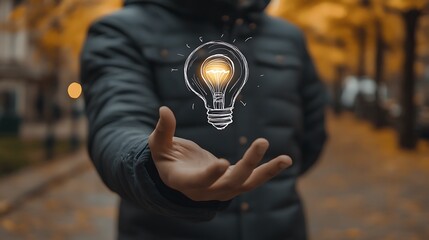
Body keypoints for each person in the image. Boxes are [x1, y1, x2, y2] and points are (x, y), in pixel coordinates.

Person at [80, 0, 327, 239]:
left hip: (282, 230)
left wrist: (272, 183)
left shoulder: (289, 37)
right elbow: (117, 121)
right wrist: (150, 164)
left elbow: (312, 135)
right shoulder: (121, 31)